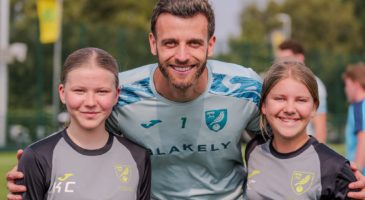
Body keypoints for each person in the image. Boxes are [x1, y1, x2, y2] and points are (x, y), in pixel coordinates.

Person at [6, 0, 365, 199]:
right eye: (170, 43)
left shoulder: (245, 87)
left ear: (210, 44)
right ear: (152, 43)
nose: (182, 55)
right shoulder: (121, 94)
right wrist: (39, 168)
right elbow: (84, 143)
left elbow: (286, 139)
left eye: (194, 43)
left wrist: (336, 176)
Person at [14, 47, 151, 199]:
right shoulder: (37, 157)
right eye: (79, 91)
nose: (90, 102)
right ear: (62, 93)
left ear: (116, 95)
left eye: (102, 91)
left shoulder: (137, 157)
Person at [245, 59, 358, 199]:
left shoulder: (334, 168)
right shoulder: (254, 149)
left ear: (314, 108)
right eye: (280, 98)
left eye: (301, 100)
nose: (290, 109)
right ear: (264, 105)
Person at [276, 39, 328, 143]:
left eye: (286, 60)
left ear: (300, 57)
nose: (283, 64)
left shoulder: (315, 84)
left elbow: (320, 130)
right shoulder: (276, 83)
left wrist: (317, 156)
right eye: (280, 60)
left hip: (303, 150)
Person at [343, 62, 365, 175]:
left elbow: (363, 140)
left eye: (347, 85)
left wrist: (356, 174)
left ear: (356, 85)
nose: (345, 89)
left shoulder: (358, 107)